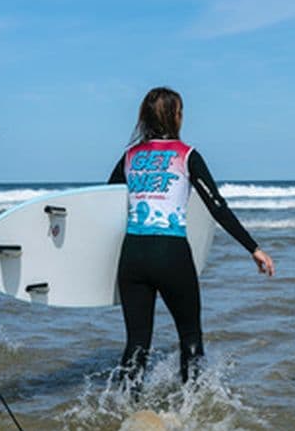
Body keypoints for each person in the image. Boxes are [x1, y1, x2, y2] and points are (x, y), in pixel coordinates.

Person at [107, 87, 275, 385]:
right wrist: (253, 248)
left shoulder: (130, 157)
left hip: (132, 255)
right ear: (175, 116)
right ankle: (192, 410)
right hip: (171, 254)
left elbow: (105, 202)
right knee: (190, 336)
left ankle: (124, 413)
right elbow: (217, 206)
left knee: (136, 343)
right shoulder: (187, 155)